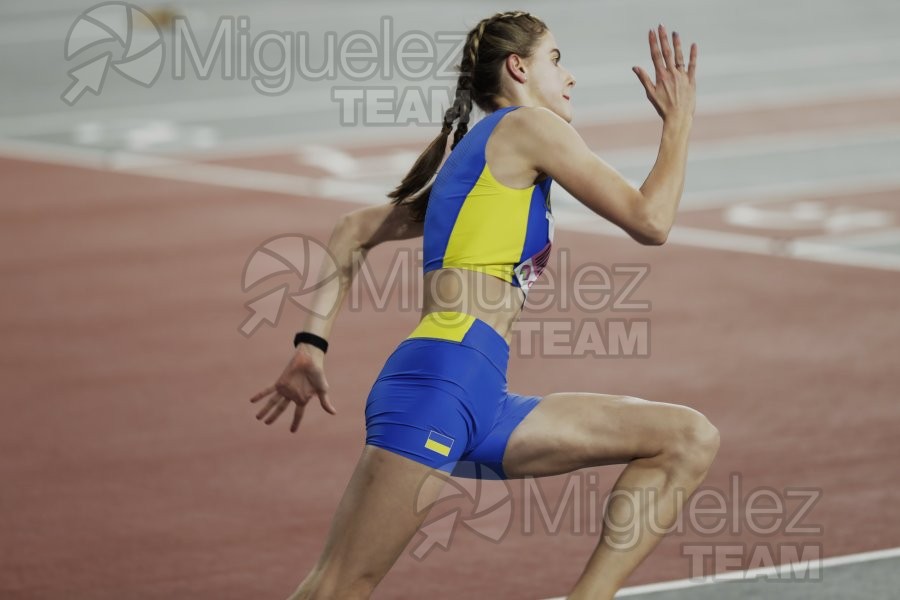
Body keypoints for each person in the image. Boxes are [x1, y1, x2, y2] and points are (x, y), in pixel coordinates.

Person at [249, 11, 719, 600]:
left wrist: (310, 345)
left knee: (686, 438)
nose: (569, 77)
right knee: (339, 586)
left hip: (482, 396)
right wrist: (679, 124)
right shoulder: (527, 127)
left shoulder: (480, 164)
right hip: (439, 384)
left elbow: (352, 230)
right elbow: (651, 221)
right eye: (556, 59)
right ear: (518, 68)